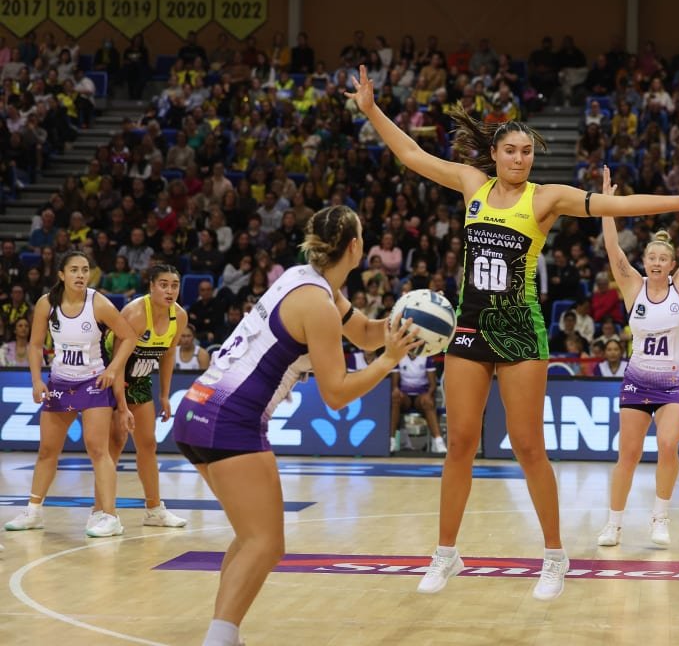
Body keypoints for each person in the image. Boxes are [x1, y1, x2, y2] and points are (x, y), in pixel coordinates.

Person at [348, 64, 679, 601]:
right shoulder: (471, 184)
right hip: (471, 326)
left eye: (527, 152)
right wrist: (371, 110)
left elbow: (611, 205)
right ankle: (446, 553)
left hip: (522, 332)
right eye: (512, 151)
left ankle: (554, 555)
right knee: (459, 444)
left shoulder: (545, 198)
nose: (520, 159)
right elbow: (412, 155)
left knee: (528, 446)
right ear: (497, 154)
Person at [171, 205, 420, 646]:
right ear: (356, 247)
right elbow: (336, 393)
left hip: (197, 408)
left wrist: (406, 327)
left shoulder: (304, 279)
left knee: (252, 538)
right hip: (231, 418)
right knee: (266, 544)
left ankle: (224, 633)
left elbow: (363, 332)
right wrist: (389, 362)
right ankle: (219, 639)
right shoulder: (318, 304)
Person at [596, 163, 679, 548]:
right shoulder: (632, 286)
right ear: (645, 261)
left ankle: (660, 517)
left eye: (662, 259)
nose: (655, 262)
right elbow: (613, 249)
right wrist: (607, 206)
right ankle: (614, 524)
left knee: (668, 445)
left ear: (671, 264)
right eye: (651, 257)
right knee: (627, 455)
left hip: (674, 383)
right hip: (636, 381)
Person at [4, 252, 137, 537]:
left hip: (93, 383)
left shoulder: (98, 302)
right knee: (47, 450)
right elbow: (36, 345)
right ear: (61, 274)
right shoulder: (46, 304)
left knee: (97, 450)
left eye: (85, 270)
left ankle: (109, 516)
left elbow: (129, 336)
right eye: (74, 270)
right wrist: (37, 380)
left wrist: (113, 369)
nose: (80, 275)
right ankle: (34, 511)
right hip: (60, 383)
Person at [100, 265, 189, 529]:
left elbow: (169, 354)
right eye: (163, 284)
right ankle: (103, 513)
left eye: (174, 285)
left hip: (139, 379)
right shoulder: (136, 313)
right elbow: (117, 362)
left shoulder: (179, 316)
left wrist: (164, 394)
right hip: (111, 377)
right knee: (114, 443)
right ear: (151, 286)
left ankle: (154, 510)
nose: (170, 290)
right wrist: (122, 405)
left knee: (148, 444)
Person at [390, 351, 447, 454]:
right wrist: (397, 391)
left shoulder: (426, 357)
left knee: (428, 402)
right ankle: (391, 440)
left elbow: (433, 385)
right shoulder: (399, 357)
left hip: (420, 396)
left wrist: (428, 394)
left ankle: (438, 441)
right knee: (395, 398)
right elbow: (394, 386)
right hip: (405, 396)